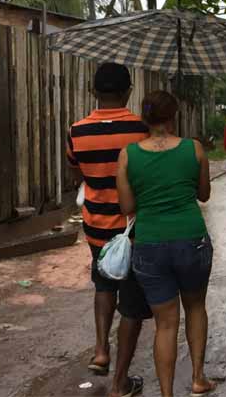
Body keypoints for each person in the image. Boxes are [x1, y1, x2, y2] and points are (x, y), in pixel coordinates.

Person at [116, 90, 216, 397]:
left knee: (165, 324)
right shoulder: (194, 149)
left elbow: (126, 206)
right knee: (196, 307)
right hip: (191, 239)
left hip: (149, 244)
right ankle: (198, 378)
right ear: (174, 116)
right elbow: (204, 194)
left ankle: (166, 394)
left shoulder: (128, 155)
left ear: (145, 118)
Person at [66, 62, 150, 397]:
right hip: (134, 228)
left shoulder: (77, 131)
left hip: (96, 225)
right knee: (132, 302)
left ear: (93, 91)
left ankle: (101, 350)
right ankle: (122, 381)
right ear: (128, 91)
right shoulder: (142, 130)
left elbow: (77, 176)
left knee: (103, 284)